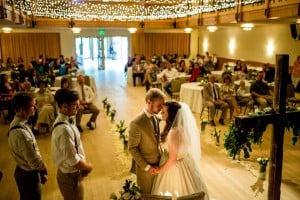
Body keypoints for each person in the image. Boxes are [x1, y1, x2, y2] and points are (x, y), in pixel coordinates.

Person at [151, 101, 209, 199]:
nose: (161, 113)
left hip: (174, 169)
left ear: (172, 115)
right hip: (185, 162)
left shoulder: (173, 133)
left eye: (164, 112)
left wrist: (159, 170)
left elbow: (173, 159)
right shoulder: (182, 128)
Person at [52, 89, 93, 200]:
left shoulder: (68, 120)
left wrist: (81, 166)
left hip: (73, 173)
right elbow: (73, 160)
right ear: (64, 106)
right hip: (69, 176)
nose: (78, 107)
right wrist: (88, 167)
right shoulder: (63, 130)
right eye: (75, 105)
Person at [8, 92, 48, 200]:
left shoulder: (19, 123)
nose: (35, 108)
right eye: (32, 106)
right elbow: (34, 161)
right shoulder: (21, 133)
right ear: (21, 109)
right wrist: (44, 169)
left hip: (24, 169)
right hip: (28, 175)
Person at [128, 88, 166, 194]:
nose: (161, 108)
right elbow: (132, 148)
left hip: (158, 164)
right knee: (147, 195)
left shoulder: (155, 117)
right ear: (149, 102)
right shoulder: (136, 123)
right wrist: (147, 167)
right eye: (159, 105)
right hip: (145, 169)